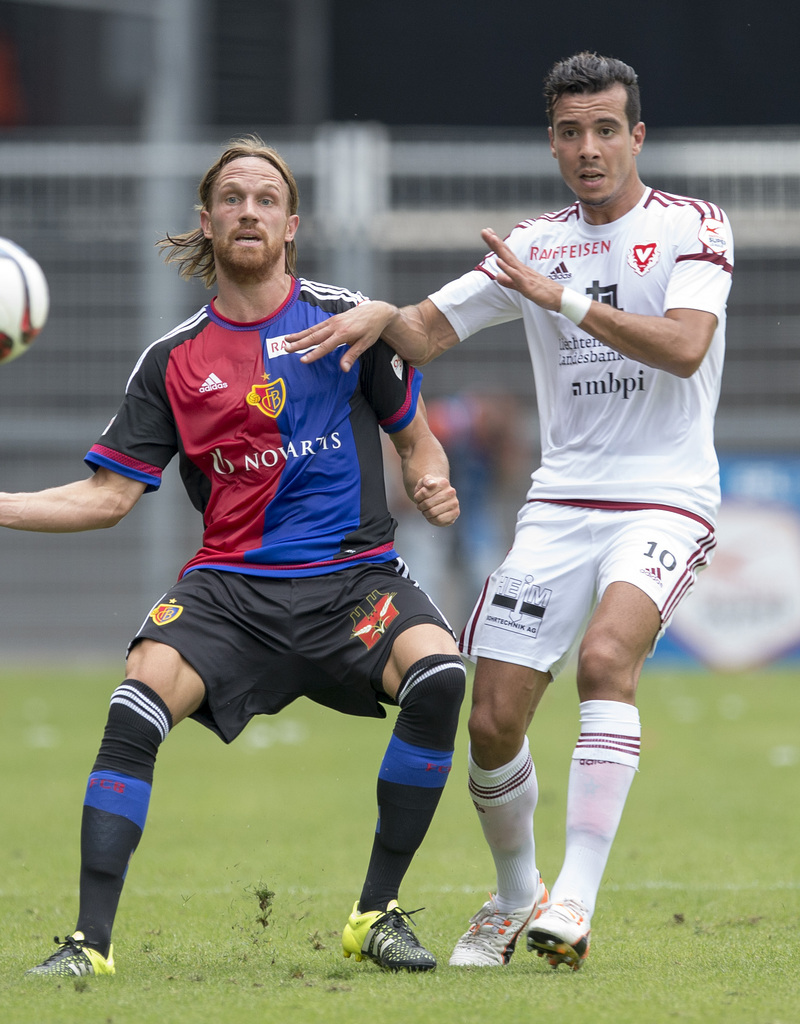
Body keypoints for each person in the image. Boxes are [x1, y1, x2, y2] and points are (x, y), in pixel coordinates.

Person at [0, 136, 467, 977]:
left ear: (291, 226)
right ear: (206, 223)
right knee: (134, 707)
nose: (250, 210)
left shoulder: (350, 323)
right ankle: (88, 947)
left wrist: (430, 481)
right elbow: (106, 498)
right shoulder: (172, 361)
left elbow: (419, 443)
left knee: (440, 679)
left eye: (267, 199)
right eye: (233, 198)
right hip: (231, 591)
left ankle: (376, 914)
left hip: (353, 582)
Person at [285, 52, 733, 971]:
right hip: (560, 505)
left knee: (608, 659)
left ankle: (575, 897)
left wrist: (557, 297)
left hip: (665, 498)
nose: (589, 148)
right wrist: (368, 310)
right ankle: (515, 889)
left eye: (607, 129)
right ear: (553, 141)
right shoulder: (534, 243)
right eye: (571, 132)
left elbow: (686, 348)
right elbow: (422, 332)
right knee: (490, 719)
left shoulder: (692, 227)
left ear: (636, 136)